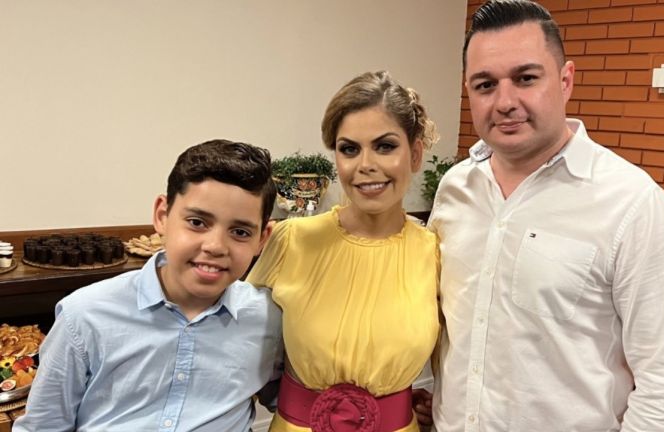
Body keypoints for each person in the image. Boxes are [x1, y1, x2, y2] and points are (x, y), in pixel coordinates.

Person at [426, 0, 664, 430]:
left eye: (526, 78)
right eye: (485, 85)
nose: (505, 102)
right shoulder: (455, 189)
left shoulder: (634, 205)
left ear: (565, 80)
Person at [14, 140, 284, 432]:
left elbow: (293, 403)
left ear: (262, 238)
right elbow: (43, 427)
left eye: (240, 232)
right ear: (162, 216)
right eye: (197, 222)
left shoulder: (269, 318)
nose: (216, 246)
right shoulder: (83, 316)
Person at [246, 70, 440, 432]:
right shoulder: (292, 240)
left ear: (415, 154)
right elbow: (236, 341)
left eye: (385, 146)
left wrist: (439, 402)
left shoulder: (434, 252)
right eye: (349, 149)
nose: (365, 165)